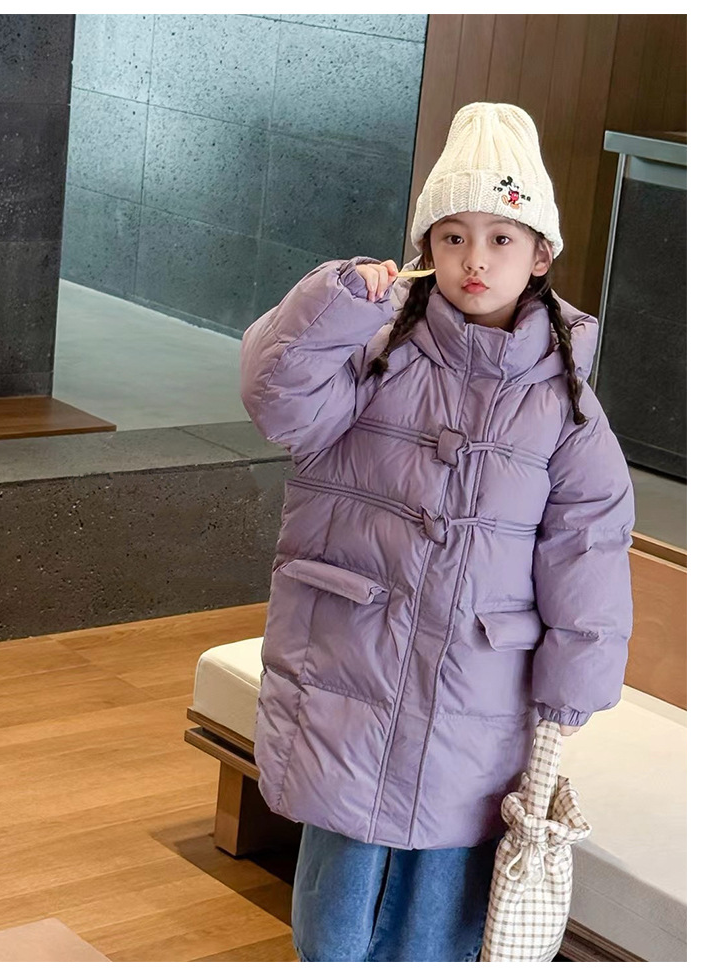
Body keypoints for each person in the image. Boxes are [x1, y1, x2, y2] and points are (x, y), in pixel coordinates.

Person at [239, 102, 634, 962]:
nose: (474, 260)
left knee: (437, 927)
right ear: (425, 248)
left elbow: (591, 551)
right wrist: (335, 302)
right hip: (351, 668)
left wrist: (569, 694)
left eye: (501, 237)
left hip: (476, 695)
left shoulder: (566, 405)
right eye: (452, 237)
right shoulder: (375, 351)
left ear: (541, 254)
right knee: (334, 920)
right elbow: (275, 399)